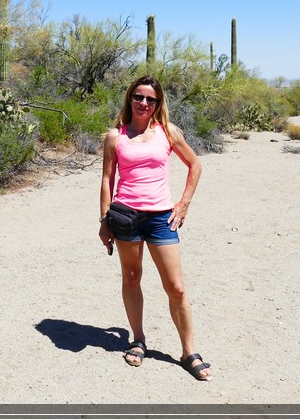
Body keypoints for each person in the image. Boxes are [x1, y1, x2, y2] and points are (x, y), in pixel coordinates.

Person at [98, 75, 212, 381]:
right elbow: (108, 180)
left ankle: (189, 352)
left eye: (150, 99)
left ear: (158, 103)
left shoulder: (168, 133)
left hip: (162, 218)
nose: (144, 103)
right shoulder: (115, 136)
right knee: (132, 278)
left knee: (176, 287)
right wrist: (104, 220)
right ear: (130, 98)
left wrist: (184, 203)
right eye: (138, 96)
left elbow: (195, 165)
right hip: (125, 216)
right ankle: (138, 339)